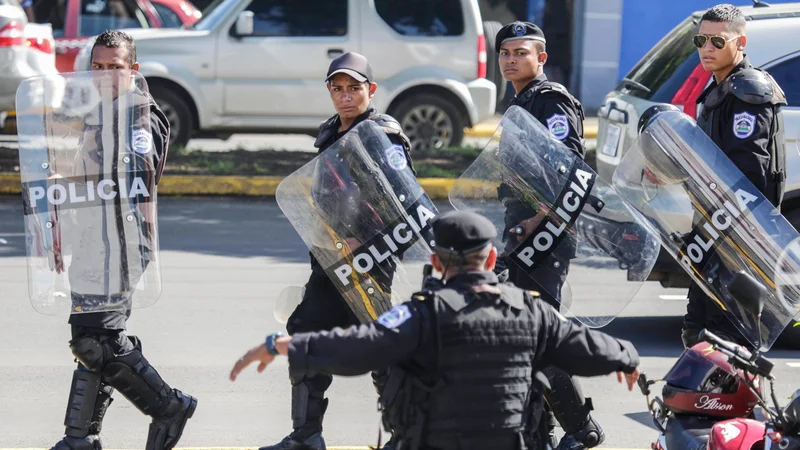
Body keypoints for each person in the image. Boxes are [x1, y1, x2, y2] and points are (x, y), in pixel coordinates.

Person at [230, 210, 642, 450]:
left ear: (437, 263)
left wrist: (285, 345)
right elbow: (585, 346)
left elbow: (358, 347)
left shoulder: (420, 315)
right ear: (493, 257)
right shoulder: (531, 312)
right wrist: (625, 358)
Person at [50, 30, 197, 450]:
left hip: (121, 241)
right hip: (95, 239)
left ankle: (168, 407)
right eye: (96, 67)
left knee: (94, 340)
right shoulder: (106, 112)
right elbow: (94, 176)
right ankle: (80, 437)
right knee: (95, 340)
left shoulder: (138, 118)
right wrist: (63, 193)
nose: (104, 75)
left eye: (114, 67)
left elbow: (132, 182)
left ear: (132, 70)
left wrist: (76, 188)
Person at [262, 51, 415, 450]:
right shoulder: (330, 132)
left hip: (369, 261)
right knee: (305, 333)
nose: (346, 96)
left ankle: (407, 436)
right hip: (331, 260)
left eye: (354, 88)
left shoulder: (383, 134)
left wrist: (362, 239)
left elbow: (405, 205)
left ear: (371, 89)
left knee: (382, 346)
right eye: (338, 88)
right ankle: (306, 435)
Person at [494, 21, 604, 450]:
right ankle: (538, 433)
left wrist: (537, 222)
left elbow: (569, 168)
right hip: (521, 228)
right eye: (505, 52)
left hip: (547, 232)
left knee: (539, 334)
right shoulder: (520, 101)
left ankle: (580, 429)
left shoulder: (551, 100)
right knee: (525, 334)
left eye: (521, 52)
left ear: (541, 58)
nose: (510, 60)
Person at [682, 3, 786, 350]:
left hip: (736, 235)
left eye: (717, 41)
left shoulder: (748, 92)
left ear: (740, 42)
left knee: (726, 337)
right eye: (701, 40)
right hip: (713, 227)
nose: (707, 49)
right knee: (697, 329)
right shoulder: (721, 87)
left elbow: (747, 173)